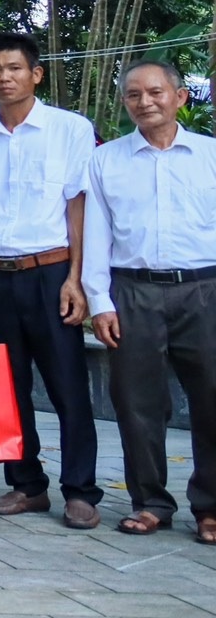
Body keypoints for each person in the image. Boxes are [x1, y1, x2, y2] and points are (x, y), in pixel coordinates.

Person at [0, 31, 101, 528]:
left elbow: (78, 208)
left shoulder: (70, 129)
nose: (4, 78)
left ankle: (81, 491)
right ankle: (26, 485)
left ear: (35, 74)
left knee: (68, 387)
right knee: (5, 389)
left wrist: (77, 279)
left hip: (51, 272)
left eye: (14, 68)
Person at [82, 59, 216, 542]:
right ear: (125, 103)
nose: (145, 102)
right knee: (137, 403)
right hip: (132, 291)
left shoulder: (210, 155)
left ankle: (211, 507)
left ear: (180, 97)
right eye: (134, 95)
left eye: (156, 92)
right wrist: (100, 300)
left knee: (211, 399)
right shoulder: (105, 160)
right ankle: (151, 502)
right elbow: (94, 236)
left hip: (205, 289)